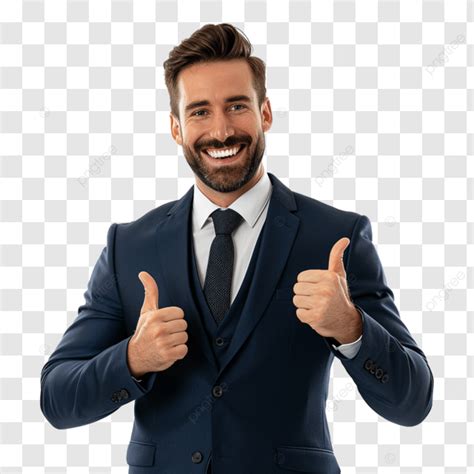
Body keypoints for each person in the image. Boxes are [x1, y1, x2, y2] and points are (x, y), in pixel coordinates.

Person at [40, 23, 434, 474]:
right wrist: (132, 359)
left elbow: (413, 402)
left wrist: (352, 328)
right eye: (200, 112)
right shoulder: (129, 246)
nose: (222, 130)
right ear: (176, 127)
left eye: (237, 106)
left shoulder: (335, 237)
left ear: (265, 113)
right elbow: (57, 398)